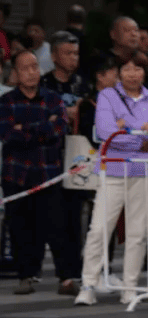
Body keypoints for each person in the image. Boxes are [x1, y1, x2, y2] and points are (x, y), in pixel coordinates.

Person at [74, 52, 148, 306]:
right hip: (112, 170)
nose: (132, 74)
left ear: (145, 73)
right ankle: (89, 284)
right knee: (99, 229)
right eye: (126, 68)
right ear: (118, 72)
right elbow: (106, 132)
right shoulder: (107, 95)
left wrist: (124, 127)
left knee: (138, 233)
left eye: (138, 69)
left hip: (143, 171)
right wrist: (138, 132)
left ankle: (130, 287)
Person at [0, 51, 71, 295]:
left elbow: (59, 128)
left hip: (48, 173)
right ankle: (25, 275)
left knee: (56, 227)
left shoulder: (52, 98)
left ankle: (66, 278)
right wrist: (42, 128)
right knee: (20, 228)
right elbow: (8, 134)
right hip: (16, 175)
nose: (31, 72)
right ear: (16, 73)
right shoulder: (6, 101)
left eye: (34, 67)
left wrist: (25, 129)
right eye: (25, 68)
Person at [42, 30, 91, 295]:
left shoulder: (82, 83)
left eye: (76, 53)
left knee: (76, 217)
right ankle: (64, 274)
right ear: (53, 56)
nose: (73, 58)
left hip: (78, 157)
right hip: (51, 158)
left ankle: (76, 270)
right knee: (56, 217)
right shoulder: (44, 85)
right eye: (67, 53)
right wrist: (65, 113)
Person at [97, 17, 148, 96]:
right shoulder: (101, 60)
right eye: (127, 30)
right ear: (113, 34)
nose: (133, 34)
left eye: (136, 31)